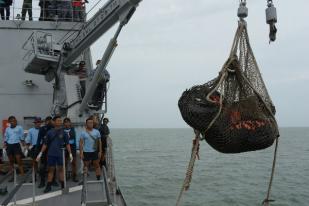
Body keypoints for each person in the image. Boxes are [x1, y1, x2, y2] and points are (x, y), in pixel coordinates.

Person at [36, 116, 73, 193]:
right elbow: (45, 144)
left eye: (60, 120)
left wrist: (70, 153)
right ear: (54, 122)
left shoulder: (64, 133)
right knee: (51, 170)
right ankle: (48, 186)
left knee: (61, 170)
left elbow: (67, 144)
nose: (60, 122)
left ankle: (63, 186)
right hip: (51, 154)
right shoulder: (49, 132)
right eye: (58, 120)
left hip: (60, 154)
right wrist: (40, 153)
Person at [3, 116, 24, 181]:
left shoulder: (19, 128)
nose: (14, 122)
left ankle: (22, 176)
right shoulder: (7, 129)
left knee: (19, 161)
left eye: (15, 121)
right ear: (9, 122)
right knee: (11, 162)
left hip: (16, 145)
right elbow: (6, 138)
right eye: (12, 121)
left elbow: (22, 137)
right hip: (9, 146)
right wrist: (5, 144)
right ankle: (13, 176)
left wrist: (24, 144)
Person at [36, 116, 54, 188]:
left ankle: (53, 181)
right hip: (44, 149)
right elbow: (39, 139)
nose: (49, 122)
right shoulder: (42, 129)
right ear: (46, 121)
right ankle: (42, 181)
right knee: (43, 166)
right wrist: (37, 149)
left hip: (52, 149)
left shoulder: (54, 129)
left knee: (52, 165)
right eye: (48, 121)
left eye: (50, 121)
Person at [63, 117, 78, 182]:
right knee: (65, 163)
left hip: (72, 148)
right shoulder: (61, 130)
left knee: (73, 162)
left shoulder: (73, 130)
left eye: (68, 122)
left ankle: (74, 176)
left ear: (70, 123)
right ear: (64, 123)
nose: (67, 123)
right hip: (64, 148)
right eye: (65, 122)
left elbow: (75, 139)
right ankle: (65, 176)